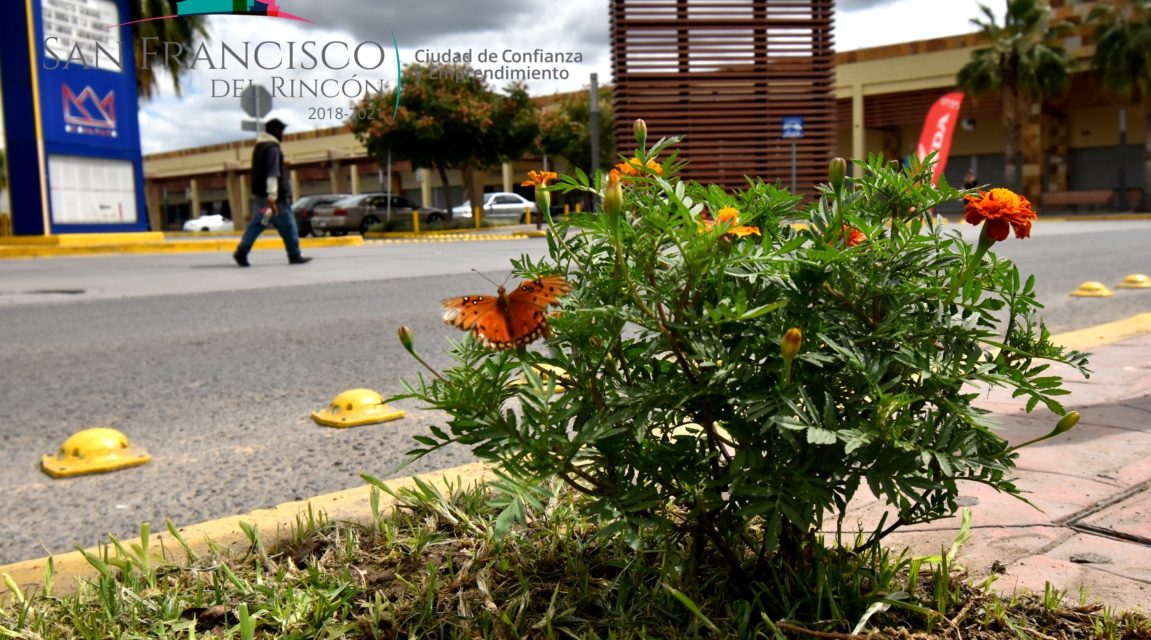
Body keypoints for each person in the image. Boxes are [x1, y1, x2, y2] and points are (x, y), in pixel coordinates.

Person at [233, 118, 312, 267]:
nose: (283, 134)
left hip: (262, 196)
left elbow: (267, 169)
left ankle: (242, 251)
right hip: (275, 199)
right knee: (288, 224)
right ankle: (294, 254)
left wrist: (283, 164)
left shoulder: (260, 147)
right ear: (276, 131)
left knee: (260, 223)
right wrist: (272, 196)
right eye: (282, 131)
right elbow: (272, 173)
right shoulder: (273, 148)